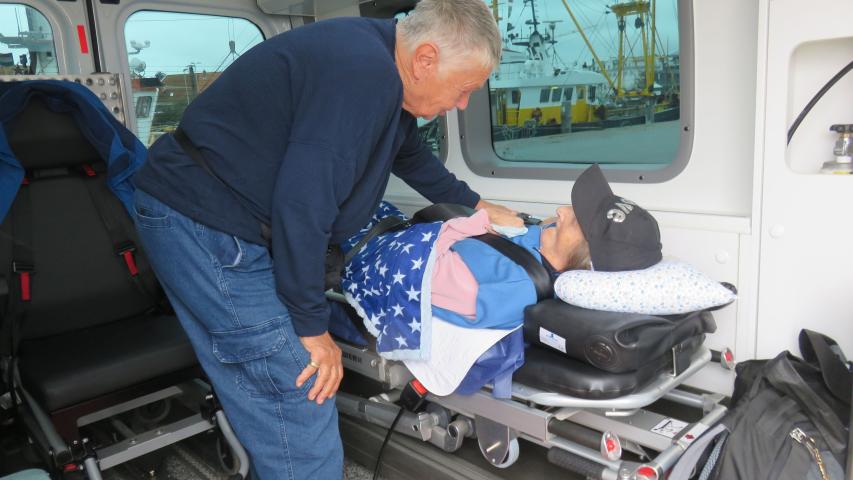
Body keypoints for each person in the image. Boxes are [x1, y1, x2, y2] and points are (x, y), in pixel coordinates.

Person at [129, 2, 518, 479]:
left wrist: (473, 203)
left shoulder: (380, 61)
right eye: (463, 89)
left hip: (210, 215)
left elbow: (409, 154)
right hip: (203, 223)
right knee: (299, 385)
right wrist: (312, 328)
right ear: (425, 59)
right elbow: (303, 205)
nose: (462, 104)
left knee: (275, 384)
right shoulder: (363, 74)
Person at [339, 164, 663, 396]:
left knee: (336, 212)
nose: (562, 211)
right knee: (354, 198)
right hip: (396, 229)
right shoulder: (539, 237)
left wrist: (475, 222)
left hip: (377, 250)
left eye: (575, 220)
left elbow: (423, 277)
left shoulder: (517, 289)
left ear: (587, 260)